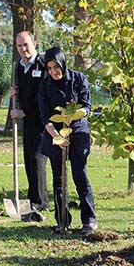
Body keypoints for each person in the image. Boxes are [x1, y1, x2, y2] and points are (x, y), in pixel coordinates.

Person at [37, 46, 97, 235]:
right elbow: (46, 117)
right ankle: (62, 221)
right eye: (49, 68)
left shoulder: (78, 79)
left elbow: (87, 106)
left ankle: (89, 220)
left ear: (63, 63)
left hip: (78, 131)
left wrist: (78, 114)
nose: (54, 71)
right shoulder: (44, 86)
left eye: (56, 66)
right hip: (55, 134)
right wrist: (56, 137)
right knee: (58, 180)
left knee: (80, 175)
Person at [10, 31, 49, 211]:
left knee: (37, 159)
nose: (23, 49)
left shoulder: (42, 65)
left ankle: (41, 202)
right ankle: (33, 199)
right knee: (29, 159)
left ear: (34, 43)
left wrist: (24, 111)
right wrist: (15, 93)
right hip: (28, 122)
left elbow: (43, 96)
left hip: (42, 121)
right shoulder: (19, 67)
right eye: (19, 46)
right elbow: (24, 90)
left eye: (26, 44)